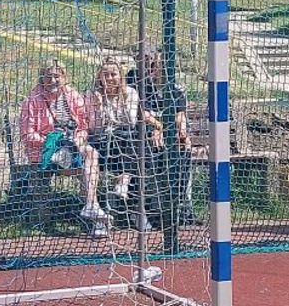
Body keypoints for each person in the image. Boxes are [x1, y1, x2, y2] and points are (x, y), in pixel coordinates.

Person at [18, 61, 107, 236]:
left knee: (90, 155)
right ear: (42, 78)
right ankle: (46, 223)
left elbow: (83, 125)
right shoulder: (32, 100)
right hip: (44, 153)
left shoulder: (72, 96)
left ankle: (91, 207)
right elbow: (27, 134)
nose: (52, 80)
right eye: (48, 76)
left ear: (64, 77)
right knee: (84, 168)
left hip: (71, 148)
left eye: (56, 76)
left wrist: (78, 139)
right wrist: (51, 142)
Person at [85, 58, 153, 231]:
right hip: (102, 143)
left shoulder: (130, 93)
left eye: (113, 74)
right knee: (130, 146)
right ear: (99, 77)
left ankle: (133, 200)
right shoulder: (92, 94)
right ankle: (102, 216)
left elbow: (130, 121)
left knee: (138, 143)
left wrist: (122, 101)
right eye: (105, 75)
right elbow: (94, 127)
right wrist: (99, 106)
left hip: (125, 141)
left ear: (120, 76)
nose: (109, 78)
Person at [129, 43, 193, 226]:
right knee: (153, 152)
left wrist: (180, 132)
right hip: (147, 134)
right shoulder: (140, 84)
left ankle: (180, 204)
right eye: (156, 66)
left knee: (184, 149)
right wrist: (161, 128)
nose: (158, 70)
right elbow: (143, 114)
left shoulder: (175, 89)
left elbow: (180, 115)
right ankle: (152, 208)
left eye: (163, 67)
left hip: (168, 134)